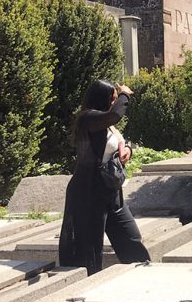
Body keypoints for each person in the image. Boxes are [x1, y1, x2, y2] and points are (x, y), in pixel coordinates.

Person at [59, 80, 150, 273]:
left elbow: (117, 144)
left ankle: (141, 275)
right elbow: (115, 115)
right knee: (89, 251)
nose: (114, 103)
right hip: (89, 193)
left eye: (116, 99)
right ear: (100, 99)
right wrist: (125, 94)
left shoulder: (105, 124)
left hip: (110, 192)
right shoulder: (88, 118)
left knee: (131, 238)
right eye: (112, 99)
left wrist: (128, 151)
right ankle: (84, 288)